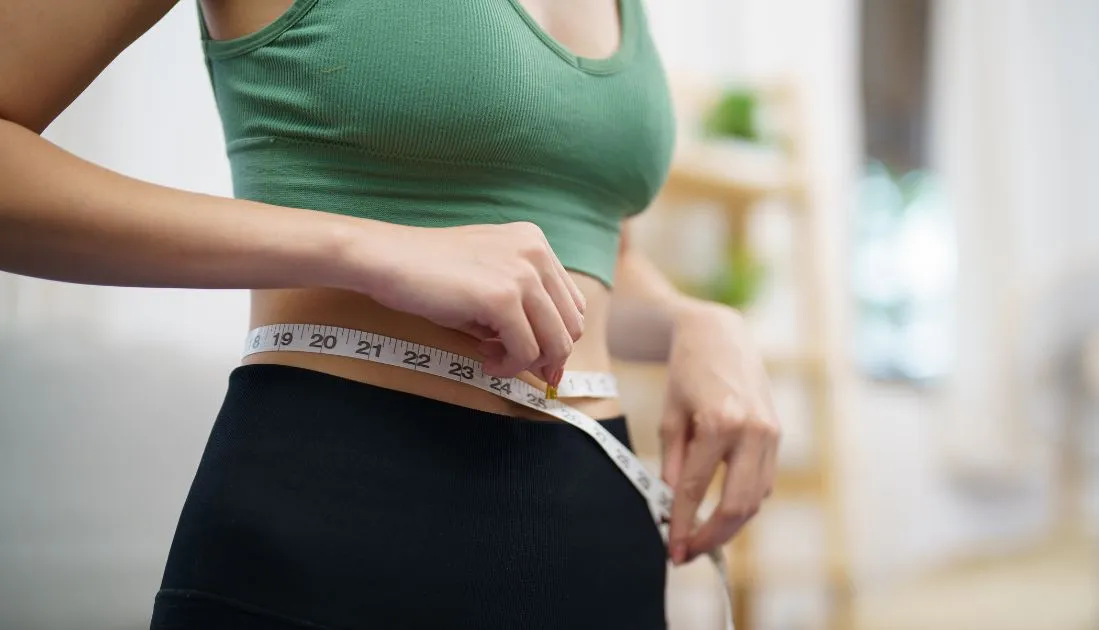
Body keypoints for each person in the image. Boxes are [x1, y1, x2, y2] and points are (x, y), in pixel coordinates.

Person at [0, 0, 782, 627]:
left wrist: (693, 321)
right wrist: (368, 249)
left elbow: (581, 253)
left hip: (602, 554)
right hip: (331, 534)